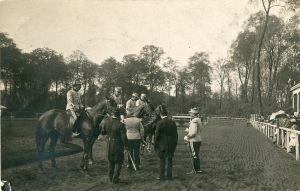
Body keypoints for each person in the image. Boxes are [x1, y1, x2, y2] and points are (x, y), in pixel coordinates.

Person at [100, 108, 128, 184]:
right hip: (118, 145)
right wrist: (126, 146)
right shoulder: (121, 124)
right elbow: (124, 137)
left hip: (109, 144)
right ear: (118, 115)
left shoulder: (106, 122)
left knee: (110, 161)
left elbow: (102, 132)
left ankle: (110, 178)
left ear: (112, 114)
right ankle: (115, 179)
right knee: (118, 162)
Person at [154, 106, 178, 180]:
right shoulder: (172, 123)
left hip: (162, 144)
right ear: (167, 114)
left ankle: (161, 176)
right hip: (171, 144)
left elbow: (156, 135)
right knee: (170, 160)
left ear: (161, 115)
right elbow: (176, 135)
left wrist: (155, 144)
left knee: (162, 160)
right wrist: (175, 143)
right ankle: (169, 175)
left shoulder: (159, 123)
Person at [184, 107, 203, 174]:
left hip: (194, 140)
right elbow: (198, 130)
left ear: (193, 114)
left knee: (194, 155)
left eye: (190, 113)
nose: (189, 114)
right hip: (198, 139)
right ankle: (197, 169)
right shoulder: (198, 119)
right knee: (196, 155)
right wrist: (188, 130)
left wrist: (187, 137)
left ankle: (195, 170)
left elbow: (194, 132)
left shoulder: (194, 120)